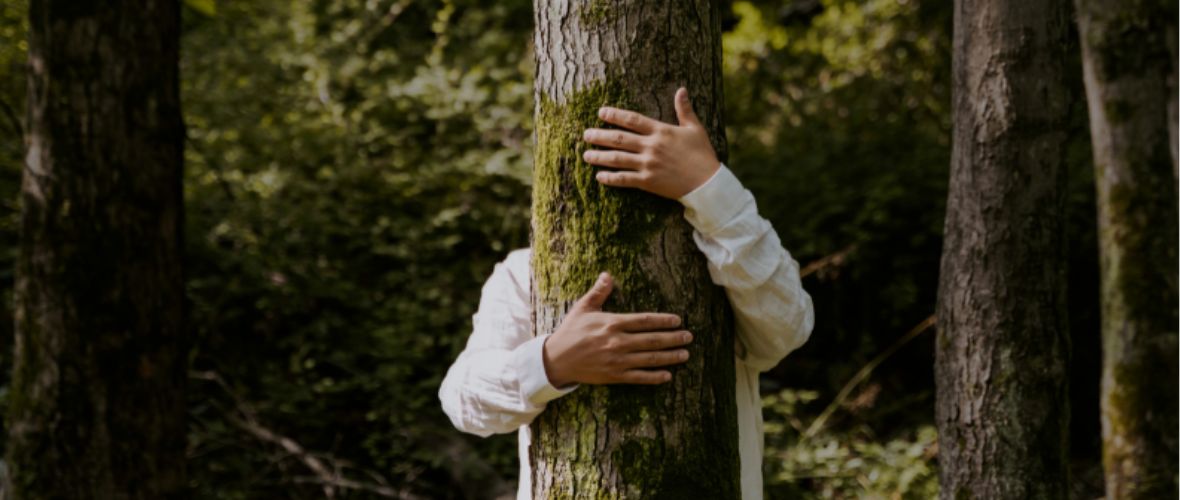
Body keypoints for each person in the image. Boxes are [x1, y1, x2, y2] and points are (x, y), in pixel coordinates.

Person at [439, 88, 815, 499]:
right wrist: (551, 362)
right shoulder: (522, 275)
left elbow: (787, 330)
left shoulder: (727, 249)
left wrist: (710, 187)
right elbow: (462, 399)